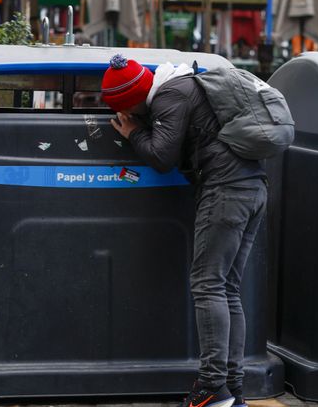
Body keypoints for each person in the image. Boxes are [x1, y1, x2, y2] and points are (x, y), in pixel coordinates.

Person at [103, 54, 266, 407]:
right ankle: (232, 390)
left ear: (131, 99)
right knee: (227, 289)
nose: (125, 114)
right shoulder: (186, 84)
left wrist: (134, 132)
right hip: (252, 188)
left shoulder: (170, 94)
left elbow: (162, 157)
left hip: (226, 192)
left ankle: (212, 387)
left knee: (208, 285)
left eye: (123, 108)